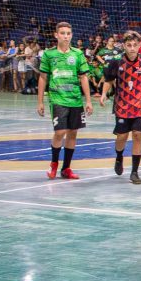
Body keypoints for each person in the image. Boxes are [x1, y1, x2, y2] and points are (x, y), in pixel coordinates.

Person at [37, 22, 93, 180]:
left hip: (75, 99)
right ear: (56, 35)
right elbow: (42, 78)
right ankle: (54, 164)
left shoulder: (77, 54)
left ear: (72, 35)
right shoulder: (49, 54)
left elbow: (83, 77)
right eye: (62, 33)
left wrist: (88, 100)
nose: (66, 36)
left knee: (73, 133)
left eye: (68, 33)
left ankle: (66, 168)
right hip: (57, 98)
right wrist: (40, 101)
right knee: (60, 132)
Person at [100, 31, 141, 183]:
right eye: (129, 45)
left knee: (137, 135)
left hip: (140, 105)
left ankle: (135, 172)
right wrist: (104, 94)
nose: (132, 48)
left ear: (139, 46)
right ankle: (119, 157)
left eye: (135, 45)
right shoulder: (116, 61)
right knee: (122, 137)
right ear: (124, 46)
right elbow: (109, 79)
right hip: (122, 105)